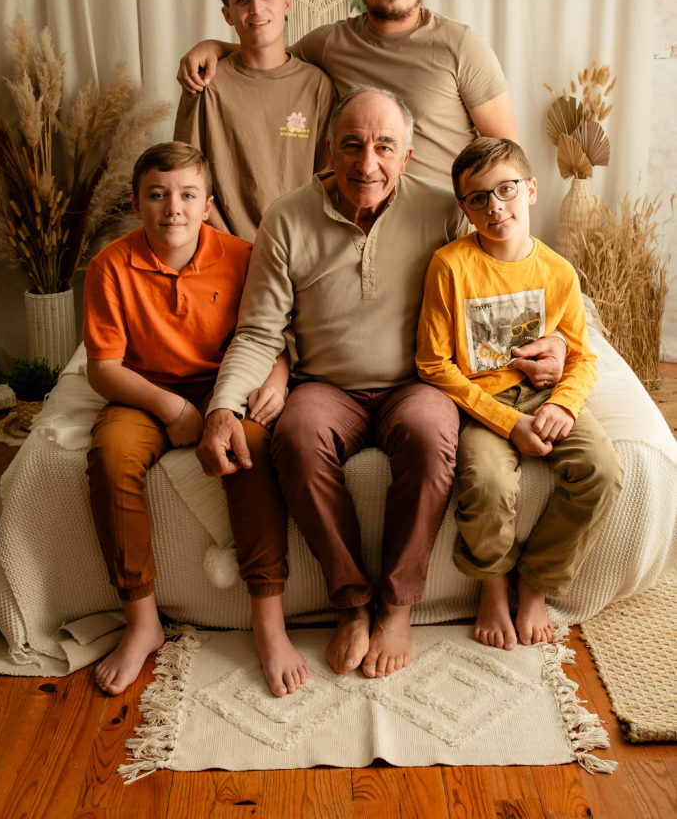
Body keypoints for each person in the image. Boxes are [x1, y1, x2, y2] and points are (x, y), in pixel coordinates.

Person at [196, 88, 564, 679]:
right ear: (329, 150)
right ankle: (353, 602)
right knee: (296, 435)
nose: (367, 164)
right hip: (327, 385)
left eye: (384, 146)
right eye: (352, 145)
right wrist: (222, 406)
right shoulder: (287, 218)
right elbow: (259, 331)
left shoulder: (444, 210)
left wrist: (558, 344)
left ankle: (396, 604)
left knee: (428, 432)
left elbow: (504, 278)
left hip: (417, 381)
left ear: (409, 154)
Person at [84, 142, 307, 698]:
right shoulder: (109, 265)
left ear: (207, 203)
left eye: (187, 195)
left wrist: (277, 381)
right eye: (157, 195)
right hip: (145, 393)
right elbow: (103, 368)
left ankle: (268, 618)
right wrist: (173, 408)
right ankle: (141, 622)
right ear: (137, 204)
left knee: (252, 449)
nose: (173, 208)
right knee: (110, 459)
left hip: (226, 386)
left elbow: (270, 333)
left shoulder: (243, 254)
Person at [415, 138, 624, 650]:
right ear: (463, 207)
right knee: (487, 485)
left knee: (602, 471)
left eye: (506, 189)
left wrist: (562, 404)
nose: (496, 207)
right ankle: (491, 586)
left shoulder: (557, 271)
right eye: (478, 198)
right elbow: (432, 362)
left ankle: (537, 583)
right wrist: (508, 424)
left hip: (542, 396)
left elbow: (582, 355)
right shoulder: (450, 265)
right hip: (481, 406)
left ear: (530, 189)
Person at [176, 0, 519, 190]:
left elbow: (506, 153)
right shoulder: (330, 43)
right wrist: (213, 46)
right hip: (359, 223)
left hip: (443, 222)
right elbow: (270, 56)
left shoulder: (462, 45)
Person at [174, 0, 335, 241]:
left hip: (300, 246)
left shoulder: (318, 85)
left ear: (287, 3)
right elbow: (186, 179)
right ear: (228, 15)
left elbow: (328, 177)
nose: (257, 9)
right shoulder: (206, 83)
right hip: (226, 248)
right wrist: (231, 245)